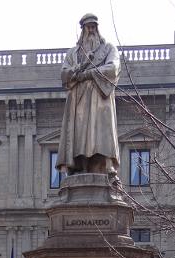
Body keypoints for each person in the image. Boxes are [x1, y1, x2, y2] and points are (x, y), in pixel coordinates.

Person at [56, 13, 120, 177]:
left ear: (97, 28)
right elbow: (64, 74)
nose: (91, 30)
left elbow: (112, 69)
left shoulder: (108, 49)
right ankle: (81, 166)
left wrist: (88, 73)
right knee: (80, 135)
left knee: (101, 133)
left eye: (93, 26)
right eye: (88, 26)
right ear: (82, 29)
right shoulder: (73, 54)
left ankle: (106, 165)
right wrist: (77, 70)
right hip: (79, 101)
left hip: (100, 99)